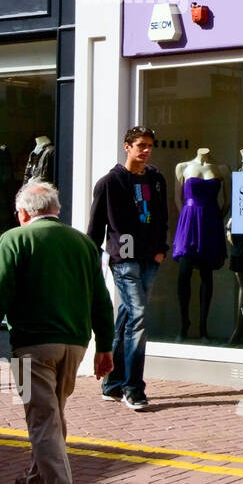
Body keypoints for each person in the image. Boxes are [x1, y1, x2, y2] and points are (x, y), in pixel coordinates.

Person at [0, 181, 114, 484]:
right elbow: (101, 300)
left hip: (33, 346)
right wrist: (105, 347)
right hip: (74, 346)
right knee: (53, 416)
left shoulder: (14, 240)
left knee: (44, 421)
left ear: (23, 213)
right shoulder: (82, 243)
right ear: (55, 210)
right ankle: (34, 481)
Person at [87, 125, 168, 410]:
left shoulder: (156, 179)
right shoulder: (110, 181)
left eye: (149, 146)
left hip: (150, 259)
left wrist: (160, 251)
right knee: (139, 317)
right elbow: (96, 227)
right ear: (127, 147)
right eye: (140, 145)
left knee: (127, 317)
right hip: (125, 259)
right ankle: (133, 389)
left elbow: (162, 216)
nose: (145, 151)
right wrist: (92, 261)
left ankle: (112, 383)